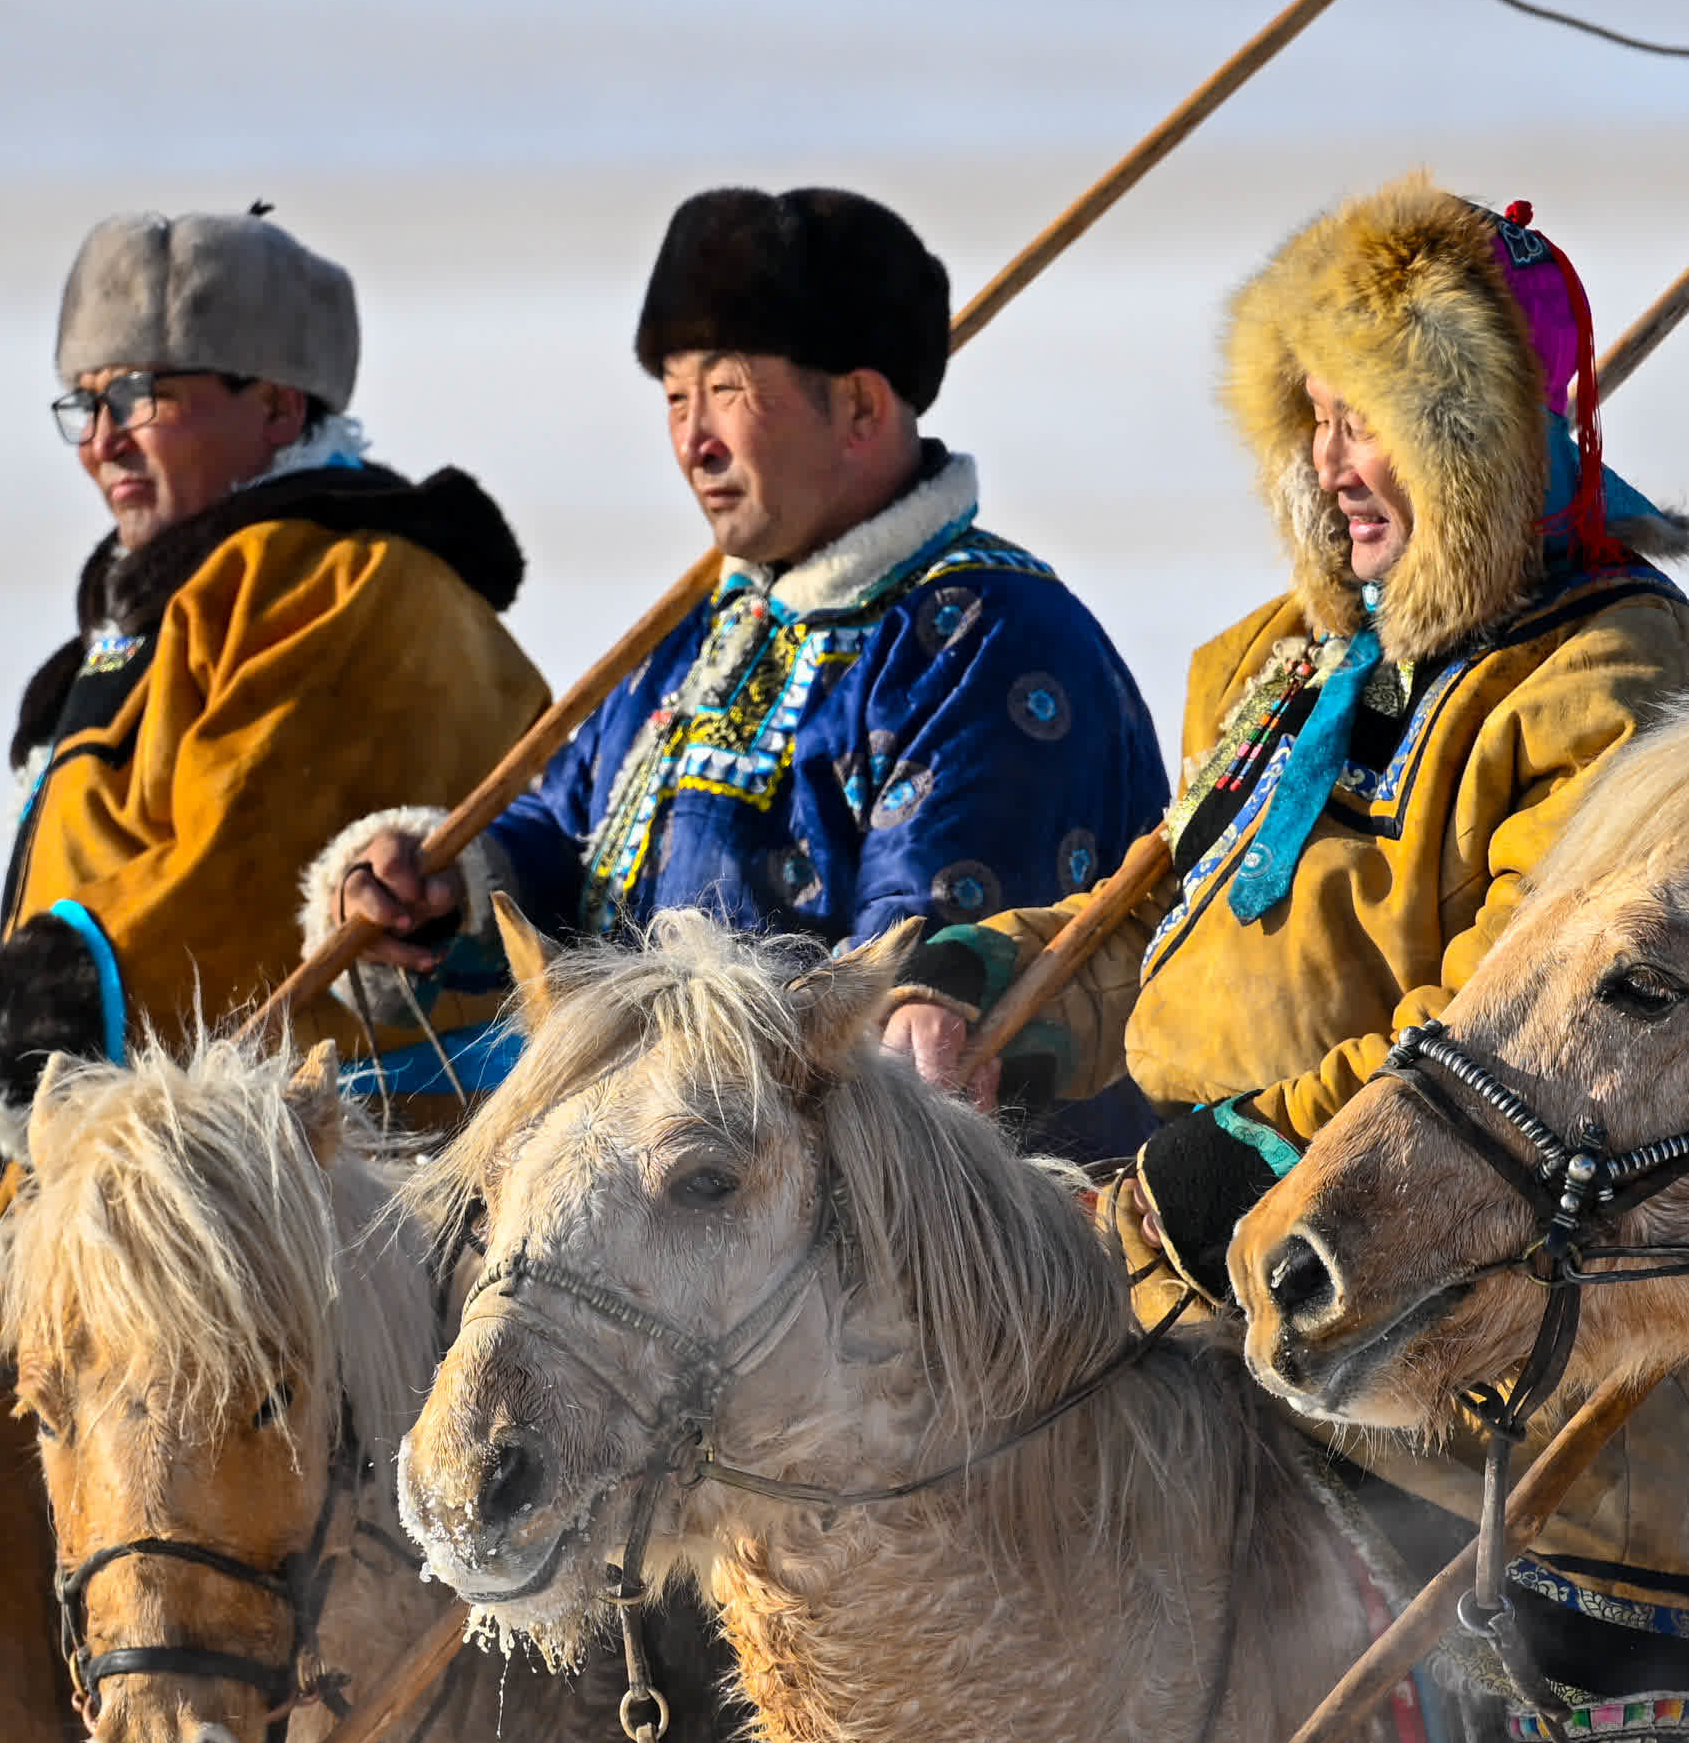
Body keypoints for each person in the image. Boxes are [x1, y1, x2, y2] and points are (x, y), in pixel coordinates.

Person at [884, 173, 1689, 1743]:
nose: (1334, 463)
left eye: (1381, 414)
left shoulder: (1615, 693)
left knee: (1528, 1613)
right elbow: (1143, 945)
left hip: (1498, 1327)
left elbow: (1505, 1027)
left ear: (1493, 438)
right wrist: (975, 996)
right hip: (1209, 1271)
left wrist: (1227, 1174)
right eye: (1305, 415)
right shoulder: (1275, 681)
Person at [307, 185, 1162, 1121]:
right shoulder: (706, 624)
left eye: (724, 392)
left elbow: (906, 990)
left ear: (862, 407)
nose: (692, 442)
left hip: (841, 1217)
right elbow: (572, 837)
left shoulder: (987, 642)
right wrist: (441, 888)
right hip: (652, 1174)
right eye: (675, 398)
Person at [0, 204, 543, 1207]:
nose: (102, 441)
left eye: (143, 398)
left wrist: (7, 1054)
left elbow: (228, 892)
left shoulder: (349, 588)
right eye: (83, 405)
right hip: (160, 1175)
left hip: (337, 1208)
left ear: (279, 409)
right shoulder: (163, 606)